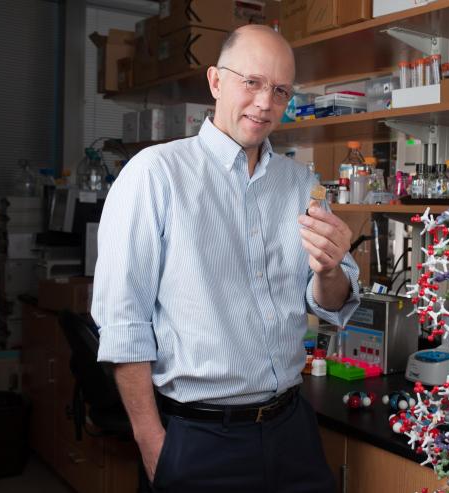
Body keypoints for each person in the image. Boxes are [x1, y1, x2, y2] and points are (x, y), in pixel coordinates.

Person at [92, 24, 360, 492]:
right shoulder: (155, 175)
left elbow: (332, 303)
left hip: (291, 428)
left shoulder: (302, 184)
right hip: (198, 439)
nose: (264, 102)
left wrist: (330, 269)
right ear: (216, 82)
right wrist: (152, 441)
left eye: (279, 90)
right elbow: (123, 323)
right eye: (251, 82)